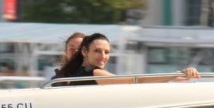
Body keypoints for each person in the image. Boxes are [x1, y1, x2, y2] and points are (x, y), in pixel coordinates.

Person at [55, 33, 201, 85]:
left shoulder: (76, 73)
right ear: (85, 52)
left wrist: (172, 79)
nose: (103, 56)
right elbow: (134, 81)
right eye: (97, 51)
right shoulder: (95, 74)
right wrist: (174, 75)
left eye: (107, 52)